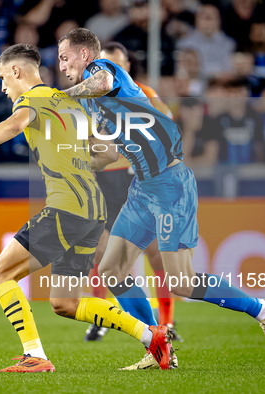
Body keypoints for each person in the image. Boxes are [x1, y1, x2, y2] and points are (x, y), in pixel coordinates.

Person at [0, 43, 174, 373]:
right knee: (65, 302)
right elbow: (108, 154)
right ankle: (153, 337)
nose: (3, 87)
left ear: (17, 72)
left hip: (66, 207)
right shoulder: (71, 103)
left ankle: (35, 355)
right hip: (93, 210)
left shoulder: (32, 99)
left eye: (4, 78)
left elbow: (15, 124)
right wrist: (76, 159)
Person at [58, 27, 265, 370]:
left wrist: (62, 96)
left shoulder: (102, 70)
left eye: (64, 57)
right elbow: (106, 155)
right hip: (142, 189)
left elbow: (102, 83)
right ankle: (158, 348)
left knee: (180, 281)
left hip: (170, 185)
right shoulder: (98, 108)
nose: (61, 65)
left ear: (84, 55)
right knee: (112, 269)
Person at [82, 42, 182, 350]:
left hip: (136, 181)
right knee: (98, 257)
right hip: (101, 184)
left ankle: (166, 322)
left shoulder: (144, 94)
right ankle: (103, 319)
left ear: (126, 65)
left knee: (157, 255)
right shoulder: (88, 99)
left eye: (116, 64)